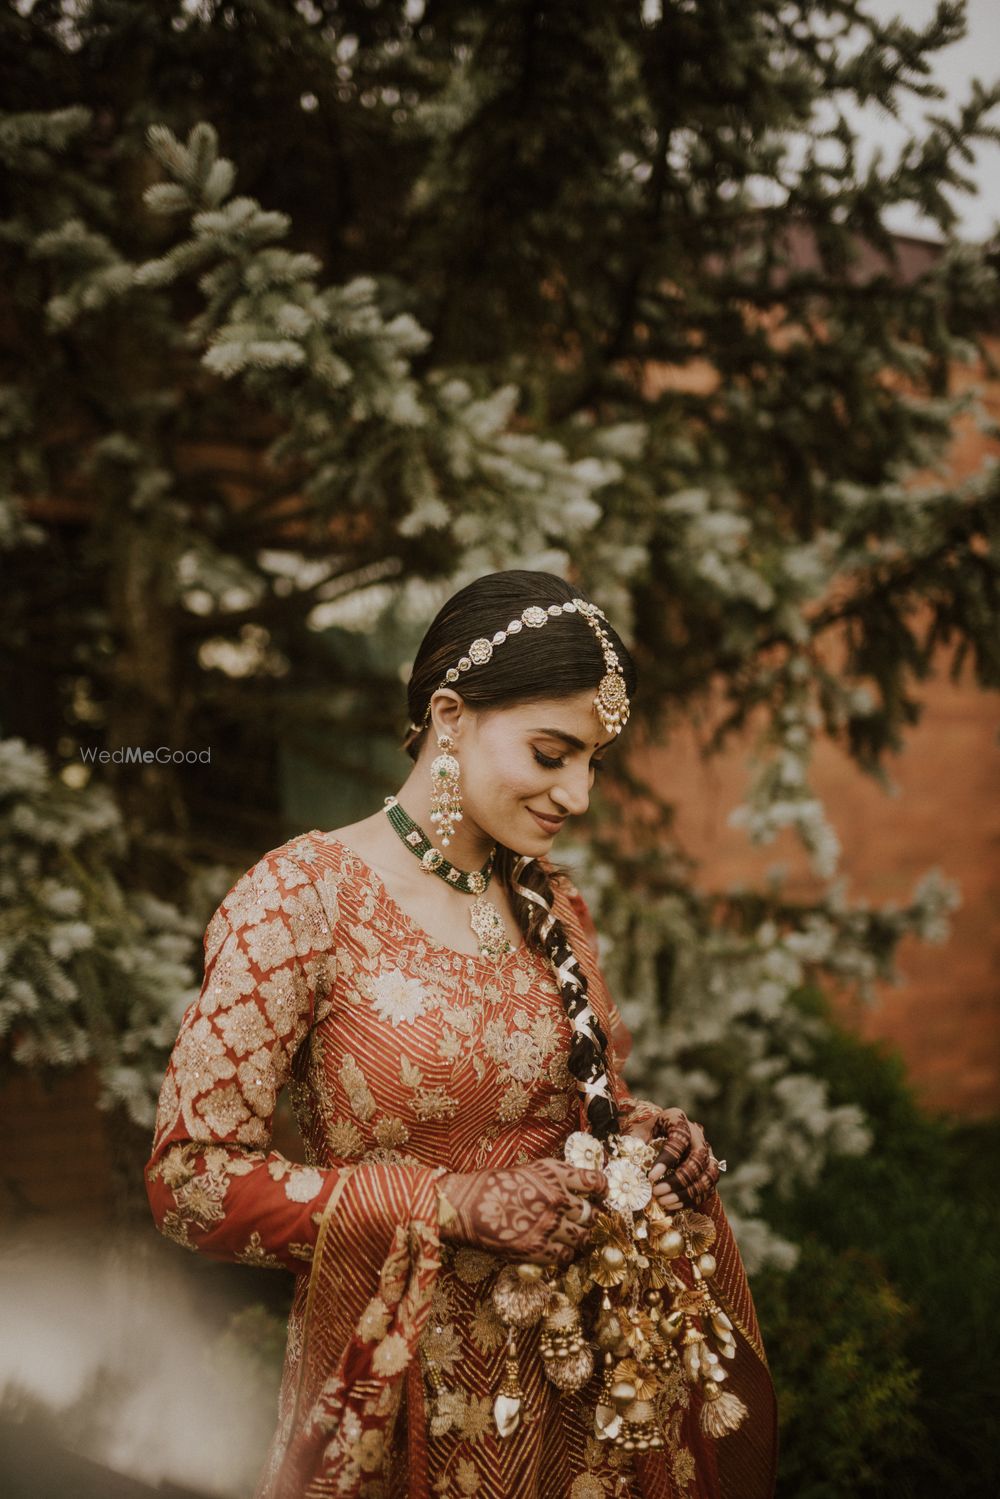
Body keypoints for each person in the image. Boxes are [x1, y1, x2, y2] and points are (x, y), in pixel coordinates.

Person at [145, 569, 778, 1499]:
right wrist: (448, 1206)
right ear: (450, 716)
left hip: (601, 1404)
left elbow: (558, 1117)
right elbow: (189, 1181)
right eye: (553, 752)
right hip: (414, 1408)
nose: (580, 794)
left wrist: (642, 1142)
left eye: (594, 761)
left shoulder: (556, 904)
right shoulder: (303, 896)